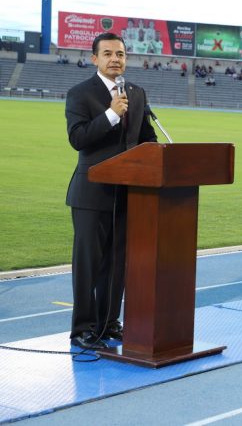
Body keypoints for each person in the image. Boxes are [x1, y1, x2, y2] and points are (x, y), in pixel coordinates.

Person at [65, 32, 157, 350]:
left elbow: (147, 138)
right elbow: (78, 138)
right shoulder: (80, 94)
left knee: (117, 265)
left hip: (127, 194)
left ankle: (108, 323)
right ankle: (82, 328)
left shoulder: (137, 93)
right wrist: (112, 114)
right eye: (107, 54)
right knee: (88, 265)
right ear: (95, 59)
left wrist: (157, 155)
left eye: (120, 54)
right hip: (91, 195)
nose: (115, 59)